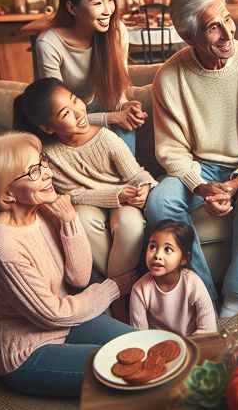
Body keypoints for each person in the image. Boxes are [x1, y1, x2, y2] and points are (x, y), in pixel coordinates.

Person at [146, 0, 238, 318]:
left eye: (227, 19)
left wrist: (237, 181)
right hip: (199, 166)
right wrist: (202, 187)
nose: (228, 33)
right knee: (160, 200)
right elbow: (171, 151)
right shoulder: (169, 77)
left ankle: (236, 295)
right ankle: (203, 294)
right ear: (189, 36)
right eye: (213, 28)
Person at [0, 132, 136, 397]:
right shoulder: (2, 245)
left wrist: (70, 221)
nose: (46, 174)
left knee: (139, 347)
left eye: (42, 163)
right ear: (7, 194)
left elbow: (79, 277)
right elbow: (53, 314)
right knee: (126, 370)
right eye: (33, 172)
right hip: (29, 353)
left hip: (68, 325)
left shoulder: (42, 209)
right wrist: (111, 289)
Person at [13, 77, 158, 322]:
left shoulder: (106, 138)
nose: (79, 112)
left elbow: (135, 174)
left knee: (130, 225)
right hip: (89, 203)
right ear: (48, 128)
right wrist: (115, 195)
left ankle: (115, 296)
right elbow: (72, 195)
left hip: (122, 199)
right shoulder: (49, 154)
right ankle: (121, 292)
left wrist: (144, 186)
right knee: (79, 218)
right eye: (65, 113)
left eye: (75, 101)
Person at [36, 0, 146, 154]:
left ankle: (131, 180)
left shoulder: (117, 30)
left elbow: (117, 86)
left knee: (126, 123)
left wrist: (124, 106)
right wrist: (112, 117)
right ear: (72, 8)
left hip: (97, 104)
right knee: (117, 121)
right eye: (97, 3)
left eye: (110, 0)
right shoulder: (48, 44)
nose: (107, 11)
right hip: (65, 118)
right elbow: (60, 114)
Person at [130, 219, 217, 335]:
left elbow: (208, 331)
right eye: (152, 247)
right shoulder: (139, 289)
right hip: (157, 346)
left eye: (167, 249)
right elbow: (139, 335)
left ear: (184, 258)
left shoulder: (193, 284)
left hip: (192, 343)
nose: (157, 255)